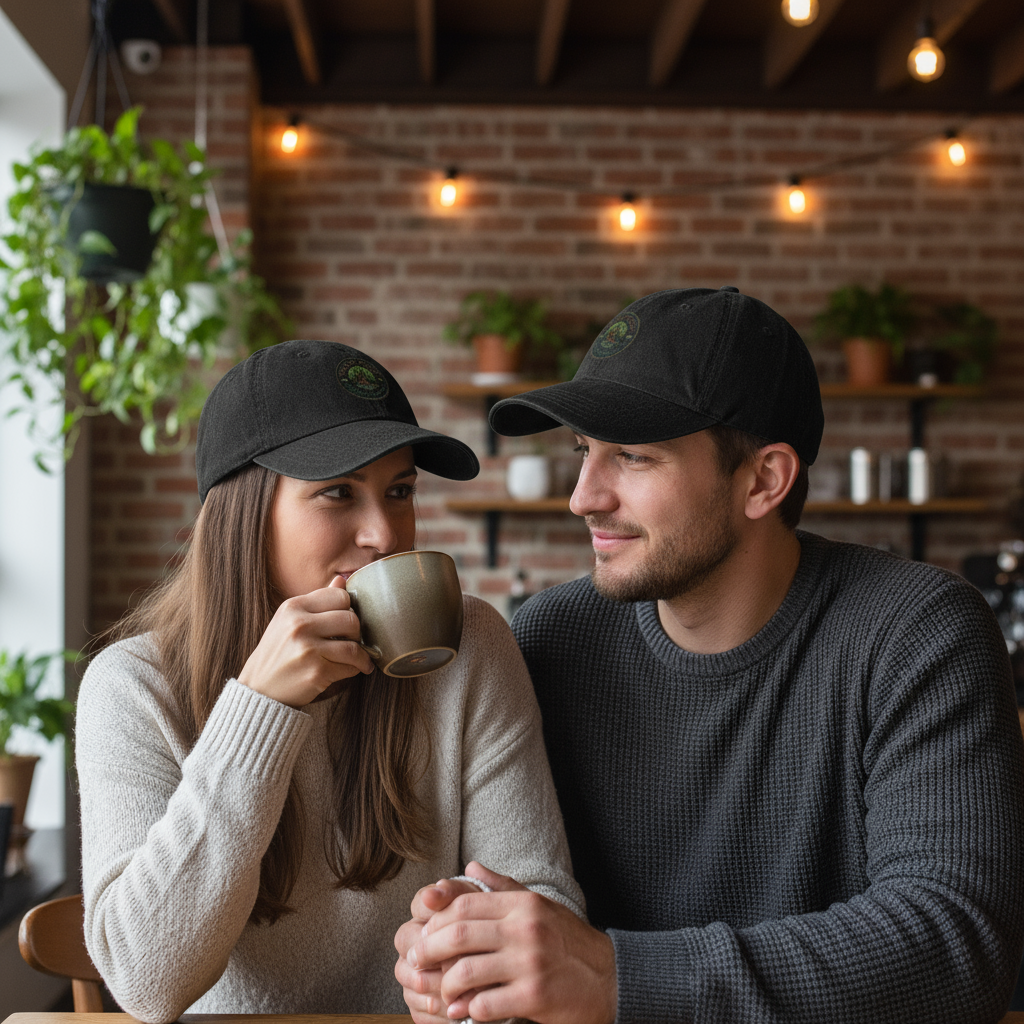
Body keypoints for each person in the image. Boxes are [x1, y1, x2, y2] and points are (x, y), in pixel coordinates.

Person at [396, 287, 1024, 1024]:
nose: (583, 497)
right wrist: (470, 936)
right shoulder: (551, 637)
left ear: (764, 480)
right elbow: (530, 892)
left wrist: (617, 977)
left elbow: (956, 943)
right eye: (582, 452)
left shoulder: (916, 632)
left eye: (631, 456)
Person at [76, 340, 584, 1024]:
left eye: (399, 491)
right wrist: (259, 710)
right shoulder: (132, 687)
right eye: (338, 492)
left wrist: (462, 938)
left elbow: (542, 902)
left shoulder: (470, 647)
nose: (384, 532)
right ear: (243, 515)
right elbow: (146, 982)